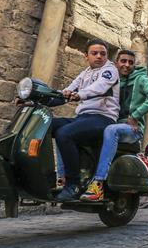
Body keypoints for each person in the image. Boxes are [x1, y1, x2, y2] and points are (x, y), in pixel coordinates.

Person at [81, 50, 148, 202]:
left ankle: (98, 183)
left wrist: (135, 115)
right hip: (111, 124)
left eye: (130, 62)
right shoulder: (112, 78)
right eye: (123, 61)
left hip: (131, 129)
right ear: (116, 63)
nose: (127, 65)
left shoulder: (141, 79)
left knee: (111, 130)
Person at [51, 39, 120, 201]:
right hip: (82, 118)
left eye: (102, 53)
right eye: (94, 53)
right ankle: (54, 175)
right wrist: (32, 99)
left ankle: (73, 184)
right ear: (86, 56)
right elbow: (66, 92)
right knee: (47, 125)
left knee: (64, 133)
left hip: (103, 118)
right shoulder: (84, 74)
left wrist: (79, 95)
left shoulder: (109, 70)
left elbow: (100, 87)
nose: (99, 56)